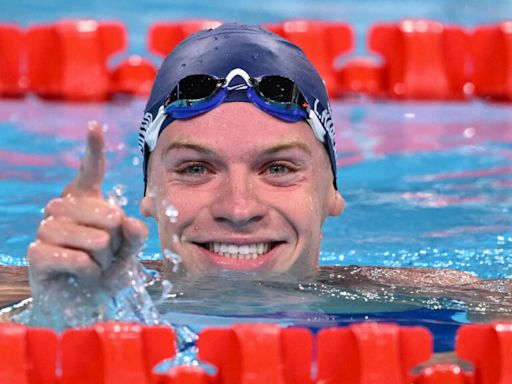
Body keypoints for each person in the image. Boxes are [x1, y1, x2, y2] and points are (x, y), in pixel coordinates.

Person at [2, 23, 492, 325]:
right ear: (149, 193)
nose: (239, 209)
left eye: (278, 168)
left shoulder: (439, 301)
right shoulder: (43, 287)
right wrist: (56, 318)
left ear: (332, 194)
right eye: (196, 168)